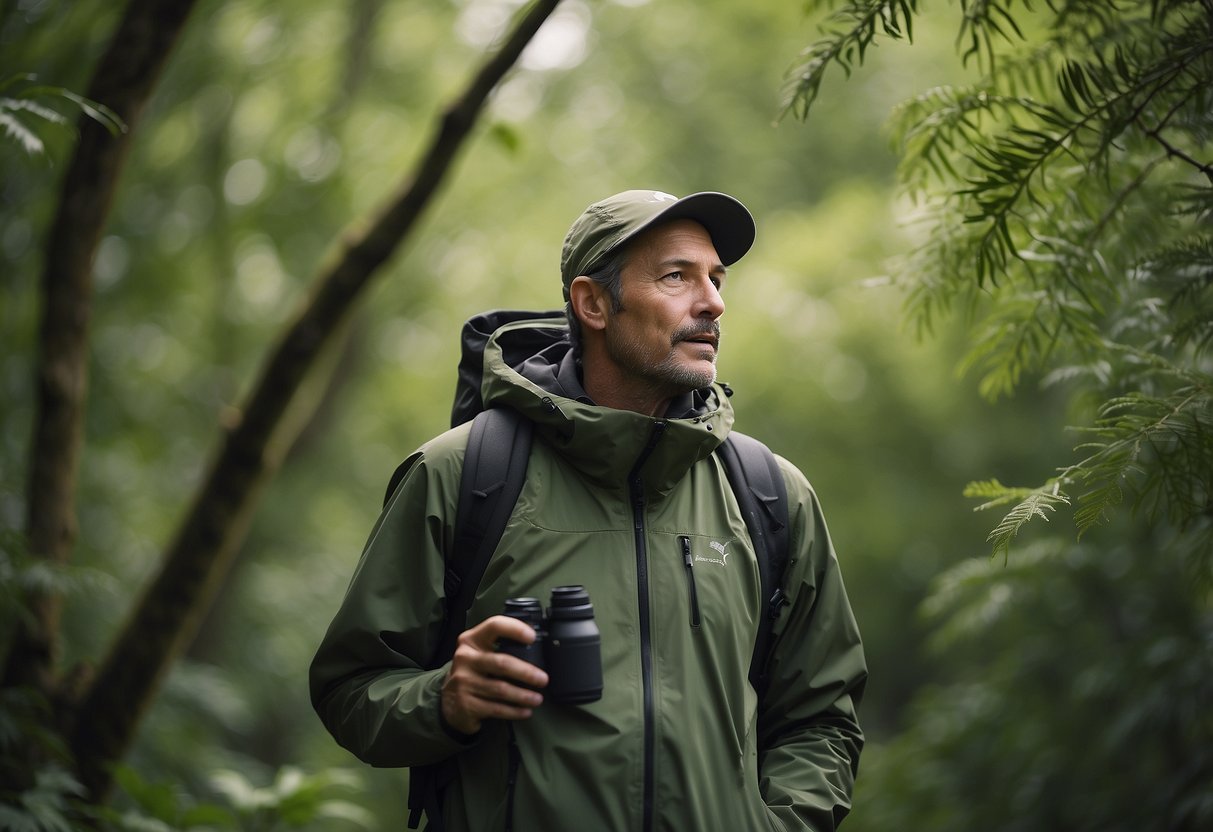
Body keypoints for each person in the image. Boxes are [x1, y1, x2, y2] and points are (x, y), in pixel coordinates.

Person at [310, 189, 867, 831]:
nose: (713, 301)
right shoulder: (463, 475)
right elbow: (350, 688)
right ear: (594, 303)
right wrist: (445, 700)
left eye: (716, 278)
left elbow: (822, 716)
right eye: (676, 276)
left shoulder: (769, 493)